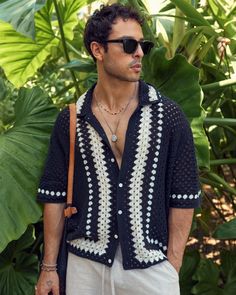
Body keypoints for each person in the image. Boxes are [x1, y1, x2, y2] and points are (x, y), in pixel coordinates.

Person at [35, 3, 201, 295]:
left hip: (150, 267)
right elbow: (54, 195)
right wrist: (49, 268)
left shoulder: (168, 117)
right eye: (128, 44)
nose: (138, 52)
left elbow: (183, 197)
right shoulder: (72, 119)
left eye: (142, 45)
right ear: (98, 50)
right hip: (84, 265)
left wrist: (170, 269)